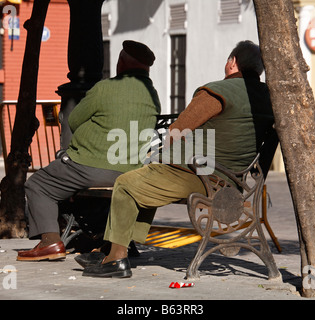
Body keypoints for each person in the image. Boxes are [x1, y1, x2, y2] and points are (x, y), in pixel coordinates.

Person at [79, 40, 275, 278]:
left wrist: (164, 155)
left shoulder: (217, 92)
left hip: (201, 177)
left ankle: (115, 260)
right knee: (145, 179)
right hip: (232, 183)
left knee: (126, 184)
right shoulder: (268, 97)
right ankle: (112, 247)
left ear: (232, 62)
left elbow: (176, 131)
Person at [17, 40, 161, 261]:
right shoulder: (152, 95)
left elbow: (74, 120)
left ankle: (50, 242)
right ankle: (104, 238)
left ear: (120, 63)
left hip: (90, 165)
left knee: (38, 184)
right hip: (131, 169)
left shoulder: (105, 88)